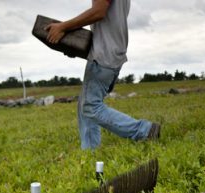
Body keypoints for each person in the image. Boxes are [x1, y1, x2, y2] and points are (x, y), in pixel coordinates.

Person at [45, 0, 160, 150]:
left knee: (90, 106)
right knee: (85, 104)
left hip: (103, 55)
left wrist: (63, 27)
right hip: (112, 52)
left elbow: (98, 12)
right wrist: (74, 44)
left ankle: (144, 130)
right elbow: (108, 22)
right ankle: (91, 150)